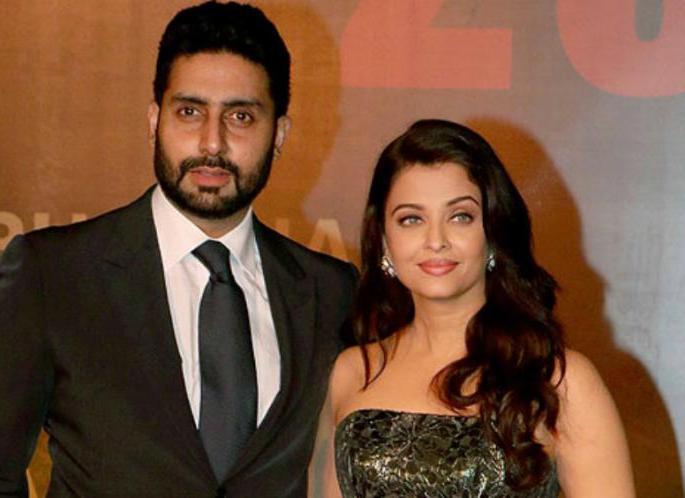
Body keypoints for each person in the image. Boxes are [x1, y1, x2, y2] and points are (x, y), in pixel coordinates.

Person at [0, 2, 356, 497]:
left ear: (279, 134)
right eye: (190, 112)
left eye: (240, 116)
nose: (212, 143)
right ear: (154, 120)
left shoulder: (331, 291)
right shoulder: (52, 274)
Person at [311, 120, 634, 497]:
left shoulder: (559, 380)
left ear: (493, 232)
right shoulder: (352, 372)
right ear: (384, 240)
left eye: (460, 216)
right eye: (411, 219)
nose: (436, 240)